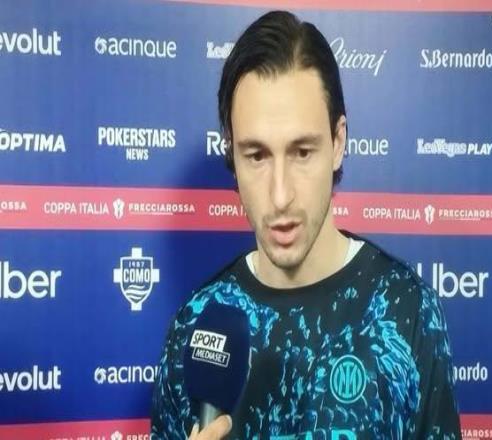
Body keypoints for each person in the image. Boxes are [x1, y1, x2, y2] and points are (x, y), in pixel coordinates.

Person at [151, 10, 461, 440]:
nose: (280, 196)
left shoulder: (406, 309)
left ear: (338, 142)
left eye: (302, 152)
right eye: (257, 155)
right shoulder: (196, 325)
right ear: (232, 155)